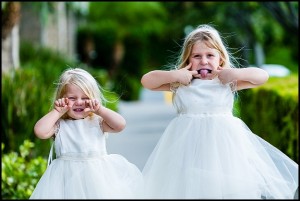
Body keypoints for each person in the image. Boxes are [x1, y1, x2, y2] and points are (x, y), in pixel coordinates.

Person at [141, 24, 298, 199]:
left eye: (210, 55)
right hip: (188, 146)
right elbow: (147, 81)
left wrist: (235, 73)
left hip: (225, 146)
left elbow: (262, 77)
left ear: (220, 59)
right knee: (191, 188)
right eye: (197, 56)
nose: (204, 61)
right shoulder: (182, 83)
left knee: (227, 188)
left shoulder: (226, 82)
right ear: (188, 60)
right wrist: (174, 76)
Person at [30, 68, 144, 199]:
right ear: (62, 99)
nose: (79, 102)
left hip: (97, 180)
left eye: (85, 98)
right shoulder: (59, 125)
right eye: (72, 98)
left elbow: (120, 125)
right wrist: (57, 112)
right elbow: (39, 131)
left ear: (93, 99)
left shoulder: (97, 122)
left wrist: (99, 110)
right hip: (65, 181)